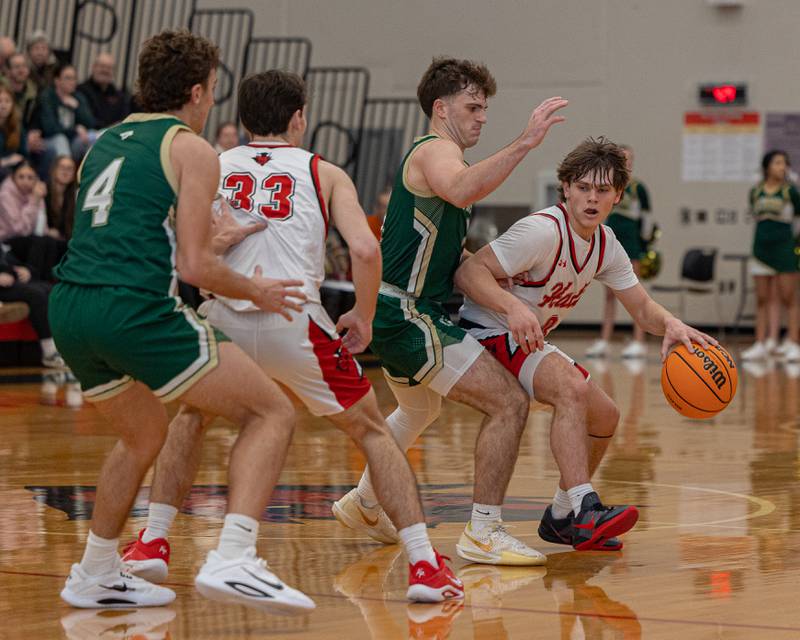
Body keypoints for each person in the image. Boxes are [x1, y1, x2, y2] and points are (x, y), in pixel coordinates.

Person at [122, 69, 464, 604]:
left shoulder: (210, 163)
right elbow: (366, 251)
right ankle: (423, 564)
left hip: (224, 315)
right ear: (299, 117)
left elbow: (187, 245)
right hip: (293, 319)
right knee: (373, 432)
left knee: (191, 417)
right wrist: (364, 315)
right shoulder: (323, 172)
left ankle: (152, 542)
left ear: (241, 118)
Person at [49, 29, 313, 613]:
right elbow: (195, 267)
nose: (214, 102)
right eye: (214, 90)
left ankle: (95, 572)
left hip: (69, 306)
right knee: (270, 411)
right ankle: (235, 556)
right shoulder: (192, 148)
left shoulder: (103, 140)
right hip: (132, 307)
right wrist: (256, 290)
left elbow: (116, 226)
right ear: (195, 91)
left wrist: (203, 236)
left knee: (143, 433)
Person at [332, 57, 567, 566]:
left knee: (420, 409)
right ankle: (483, 531)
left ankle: (366, 503)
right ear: (441, 109)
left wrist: (488, 274)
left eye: (485, 107)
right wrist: (526, 142)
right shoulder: (437, 150)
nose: (483, 117)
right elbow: (461, 189)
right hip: (409, 312)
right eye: (473, 106)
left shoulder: (444, 159)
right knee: (508, 402)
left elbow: (438, 246)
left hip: (403, 309)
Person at [455, 137, 716, 550]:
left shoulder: (607, 244)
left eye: (603, 190)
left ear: (618, 196)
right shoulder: (540, 231)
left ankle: (561, 517)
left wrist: (671, 324)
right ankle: (585, 506)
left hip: (525, 337)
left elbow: (642, 308)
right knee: (571, 388)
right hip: (484, 329)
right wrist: (512, 308)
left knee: (606, 416)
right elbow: (469, 275)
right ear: (566, 188)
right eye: (583, 188)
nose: (592, 198)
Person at [585, 144, 652, 358]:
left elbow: (647, 220)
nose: (626, 163)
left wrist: (644, 245)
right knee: (609, 295)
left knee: (635, 293)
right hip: (612, 241)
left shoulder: (638, 188)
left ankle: (638, 341)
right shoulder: (607, 188)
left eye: (629, 159)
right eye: (622, 159)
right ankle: (605, 340)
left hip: (632, 244)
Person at [741, 150, 800, 362]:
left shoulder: (791, 192)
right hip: (760, 249)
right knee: (763, 298)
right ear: (767, 167)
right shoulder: (756, 192)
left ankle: (793, 342)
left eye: (784, 163)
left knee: (789, 298)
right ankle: (762, 342)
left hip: (784, 249)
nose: (781, 167)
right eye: (777, 163)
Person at [0, 241, 63, 367]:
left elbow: (8, 259)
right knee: (36, 295)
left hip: (9, 278)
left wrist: (25, 269)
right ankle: (49, 354)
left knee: (50, 290)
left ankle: (63, 346)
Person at [38, 62, 95, 163]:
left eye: (74, 78)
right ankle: (65, 172)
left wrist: (77, 107)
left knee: (92, 138)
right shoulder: (47, 97)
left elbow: (90, 123)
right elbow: (50, 128)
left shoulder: (78, 97)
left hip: (73, 142)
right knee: (61, 139)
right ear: (57, 81)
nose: (72, 82)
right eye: (68, 78)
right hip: (50, 141)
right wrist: (74, 130)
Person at [76, 53, 132, 129]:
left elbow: (124, 119)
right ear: (94, 67)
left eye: (109, 68)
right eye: (102, 66)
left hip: (113, 134)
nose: (105, 70)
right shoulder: (81, 91)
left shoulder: (119, 96)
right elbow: (86, 119)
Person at [45, 155, 76, 240]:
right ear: (54, 170)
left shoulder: (74, 196)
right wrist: (47, 231)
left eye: (70, 169)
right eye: (62, 167)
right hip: (46, 239)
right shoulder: (43, 191)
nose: (65, 172)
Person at [0, 85, 26, 176]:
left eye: (7, 101)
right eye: (0, 101)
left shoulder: (17, 127)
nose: (3, 106)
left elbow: (24, 154)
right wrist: (6, 161)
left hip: (14, 172)